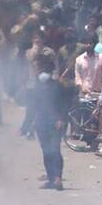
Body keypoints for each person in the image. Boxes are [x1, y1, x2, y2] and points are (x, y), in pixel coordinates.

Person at [33, 61, 71, 190]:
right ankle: (50, 179)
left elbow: (66, 104)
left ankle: (57, 178)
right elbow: (33, 106)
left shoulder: (58, 86)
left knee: (55, 150)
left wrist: (61, 119)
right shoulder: (37, 87)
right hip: (41, 123)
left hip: (55, 123)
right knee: (46, 151)